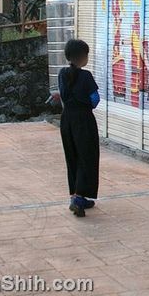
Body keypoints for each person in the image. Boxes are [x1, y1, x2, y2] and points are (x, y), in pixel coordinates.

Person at [56, 39, 100, 217]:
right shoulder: (86, 76)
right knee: (86, 157)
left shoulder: (62, 74)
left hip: (67, 119)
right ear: (83, 57)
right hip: (84, 120)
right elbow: (94, 100)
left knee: (72, 156)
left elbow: (63, 95)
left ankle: (76, 194)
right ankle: (79, 197)